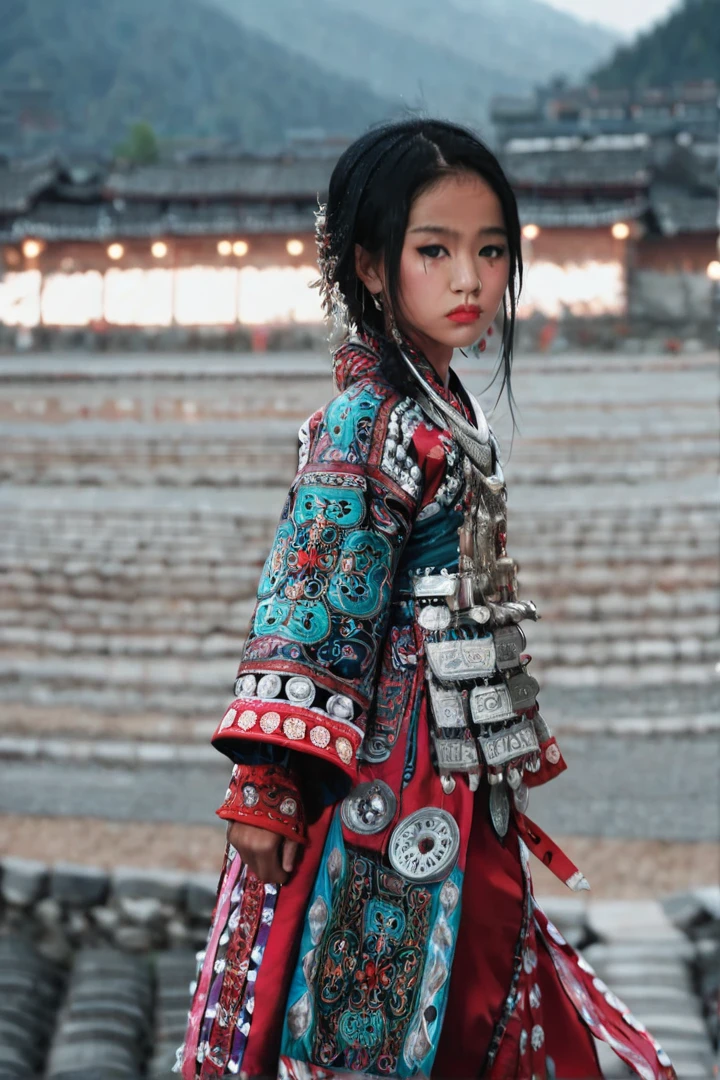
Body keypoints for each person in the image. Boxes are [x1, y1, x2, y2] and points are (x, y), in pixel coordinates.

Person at [177, 118, 676, 1080]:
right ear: (371, 266)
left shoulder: (445, 407)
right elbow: (314, 594)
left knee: (465, 983)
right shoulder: (371, 421)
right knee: (377, 1003)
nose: (470, 280)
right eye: (435, 250)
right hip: (379, 776)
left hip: (453, 766)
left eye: (491, 252)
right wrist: (270, 785)